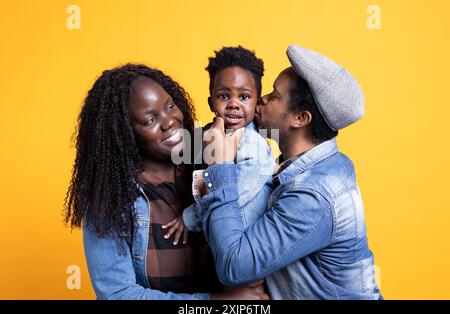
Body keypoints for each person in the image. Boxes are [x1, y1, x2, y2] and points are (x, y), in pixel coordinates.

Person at [64, 63, 269, 300]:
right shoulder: (111, 198)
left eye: (170, 106)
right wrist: (215, 302)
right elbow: (117, 294)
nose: (169, 121)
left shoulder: (212, 162)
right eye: (150, 120)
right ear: (125, 133)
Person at [196, 45, 382, 300]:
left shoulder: (313, 194)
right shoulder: (304, 168)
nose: (261, 99)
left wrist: (221, 166)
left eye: (273, 95)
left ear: (300, 119)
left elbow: (233, 266)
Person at [161, 46, 275, 244]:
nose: (233, 103)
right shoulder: (206, 135)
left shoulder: (252, 144)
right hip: (218, 237)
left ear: (257, 103)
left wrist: (190, 217)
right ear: (211, 102)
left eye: (244, 97)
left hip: (244, 241)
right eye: (224, 96)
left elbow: (235, 194)